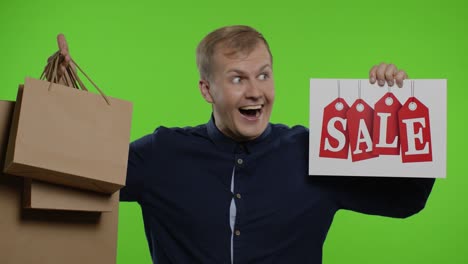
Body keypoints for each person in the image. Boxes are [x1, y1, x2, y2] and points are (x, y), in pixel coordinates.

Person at [55, 25, 434, 264]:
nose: (256, 91)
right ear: (208, 89)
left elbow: (406, 200)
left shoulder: (315, 149)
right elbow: (70, 173)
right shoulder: (162, 154)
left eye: (264, 75)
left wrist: (400, 112)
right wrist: (61, 99)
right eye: (237, 79)